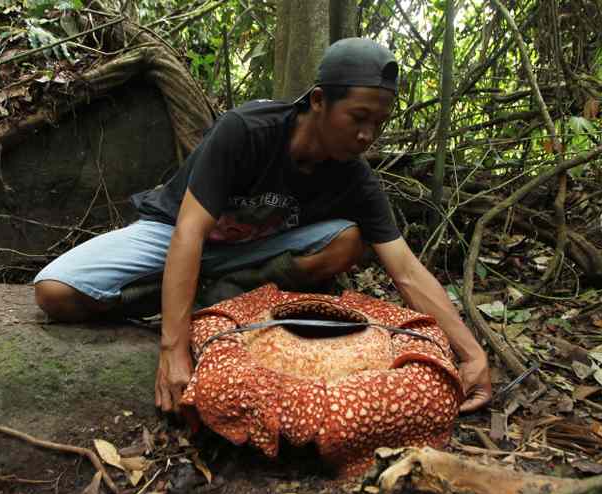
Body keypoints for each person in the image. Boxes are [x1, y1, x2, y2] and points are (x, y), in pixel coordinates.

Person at [34, 37, 492, 415]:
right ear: (318, 101)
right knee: (55, 292)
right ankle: (193, 296)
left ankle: (232, 290)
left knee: (350, 239)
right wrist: (173, 349)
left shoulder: (353, 174)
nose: (367, 136)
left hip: (254, 251)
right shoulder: (247, 130)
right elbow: (189, 233)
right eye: (358, 117)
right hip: (175, 231)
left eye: (379, 123)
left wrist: (471, 354)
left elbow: (406, 270)